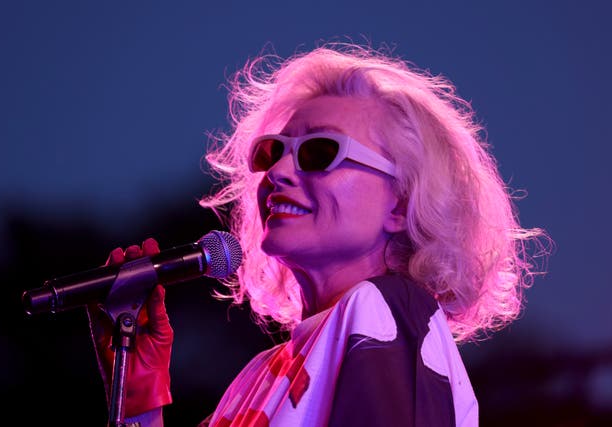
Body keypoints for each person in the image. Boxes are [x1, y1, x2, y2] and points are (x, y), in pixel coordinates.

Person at [86, 42, 549, 426]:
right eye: (272, 152)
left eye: (320, 152)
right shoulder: (258, 376)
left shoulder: (386, 309)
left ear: (402, 203)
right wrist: (137, 397)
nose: (279, 171)